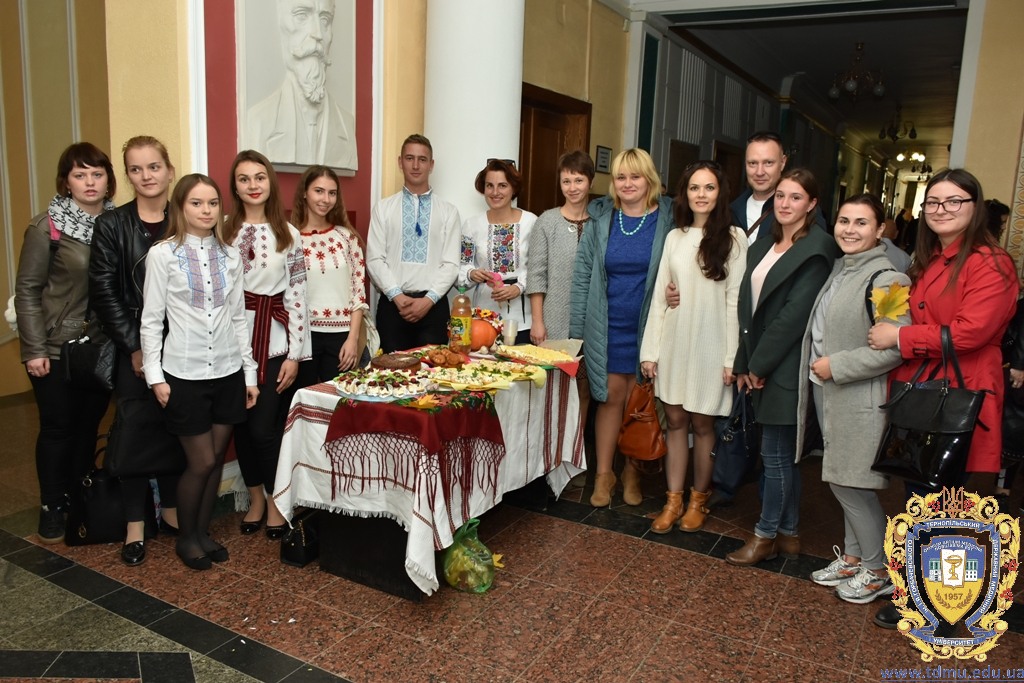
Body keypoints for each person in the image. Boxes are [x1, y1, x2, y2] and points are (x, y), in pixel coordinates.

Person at [868, 168, 1019, 627]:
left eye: (954, 201)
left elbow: (972, 332)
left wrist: (901, 337)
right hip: (924, 390)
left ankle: (944, 603)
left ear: (975, 208)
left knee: (952, 502)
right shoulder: (932, 259)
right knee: (923, 492)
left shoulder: (990, 262)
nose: (942, 209)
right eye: (933, 201)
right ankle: (919, 592)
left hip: (961, 393)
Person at [796, 193, 911, 604]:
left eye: (861, 223)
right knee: (841, 477)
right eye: (844, 221)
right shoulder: (842, 268)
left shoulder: (889, 280)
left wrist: (836, 365)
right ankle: (853, 558)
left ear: (880, 230)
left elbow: (895, 347)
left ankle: (878, 570)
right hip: (831, 393)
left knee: (852, 485)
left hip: (859, 398)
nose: (849, 229)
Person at [141, 174, 259, 570]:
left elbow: (239, 318)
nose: (206, 210)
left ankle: (202, 533)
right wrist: (155, 376)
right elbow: (151, 320)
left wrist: (249, 374)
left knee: (215, 458)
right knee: (202, 462)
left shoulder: (231, 255)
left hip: (228, 371)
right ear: (180, 207)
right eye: (196, 203)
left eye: (212, 203)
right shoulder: (162, 255)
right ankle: (186, 538)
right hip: (184, 374)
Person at [725, 168, 838, 567]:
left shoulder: (818, 249)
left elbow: (793, 316)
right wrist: (744, 362)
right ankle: (789, 533)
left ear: (812, 204)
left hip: (787, 366)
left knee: (775, 456)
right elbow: (747, 308)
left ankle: (765, 535)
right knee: (779, 456)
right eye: (781, 196)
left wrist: (758, 365)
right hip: (760, 360)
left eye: (796, 197)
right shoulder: (764, 244)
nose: (785, 204)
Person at [15, 142, 116, 544]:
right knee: (58, 428)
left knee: (88, 427)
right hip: (56, 347)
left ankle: (79, 497)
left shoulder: (117, 224)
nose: (89, 182)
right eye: (80, 174)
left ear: (108, 180)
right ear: (66, 181)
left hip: (100, 348)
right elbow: (27, 291)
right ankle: (52, 505)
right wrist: (34, 349)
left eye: (97, 174)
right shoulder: (47, 228)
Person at [639, 161, 747, 532]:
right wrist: (650, 352)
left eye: (709, 187)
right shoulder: (675, 237)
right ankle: (672, 501)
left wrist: (731, 358)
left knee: (703, 425)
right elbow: (660, 297)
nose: (701, 195)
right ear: (685, 194)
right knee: (675, 422)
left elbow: (734, 302)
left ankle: (699, 500)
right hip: (675, 343)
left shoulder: (734, 238)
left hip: (712, 347)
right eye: (694, 188)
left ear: (721, 193)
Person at [90, 135, 180, 566]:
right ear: (127, 175)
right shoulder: (112, 224)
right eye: (136, 169)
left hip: (183, 344)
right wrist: (137, 346)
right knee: (135, 430)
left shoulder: (187, 218)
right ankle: (135, 526)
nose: (146, 176)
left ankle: (174, 513)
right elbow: (104, 292)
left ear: (169, 171)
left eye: (154, 166)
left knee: (177, 427)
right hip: (133, 345)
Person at [570, 148, 674, 508]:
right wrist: (576, 334)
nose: (628, 183)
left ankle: (632, 472)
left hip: (649, 326)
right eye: (620, 177)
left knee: (638, 400)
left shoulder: (668, 221)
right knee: (610, 397)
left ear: (650, 179)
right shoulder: (602, 222)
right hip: (607, 326)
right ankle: (604, 475)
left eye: (635, 176)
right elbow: (582, 278)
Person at [224, 149, 310, 539]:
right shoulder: (223, 232)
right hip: (232, 343)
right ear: (235, 186)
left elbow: (298, 294)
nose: (253, 185)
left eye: (259, 177)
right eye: (244, 179)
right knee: (241, 428)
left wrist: (294, 353)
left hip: (275, 343)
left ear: (270, 183)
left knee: (263, 429)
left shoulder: (288, 233)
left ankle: (277, 501)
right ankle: (255, 498)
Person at [366, 134, 462, 352]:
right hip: (393, 306)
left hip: (433, 307)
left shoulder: (448, 212)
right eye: (409, 158)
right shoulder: (383, 208)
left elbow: (451, 264)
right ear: (400, 162)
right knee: (391, 370)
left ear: (431, 165)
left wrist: (428, 301)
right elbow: (374, 259)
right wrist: (397, 296)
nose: (416, 165)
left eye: (422, 159)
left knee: (434, 370)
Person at [244, 0, 357, 169]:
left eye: (324, 19)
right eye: (302, 16)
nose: (317, 34)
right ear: (280, 25)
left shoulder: (346, 126)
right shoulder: (260, 121)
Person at [292, 165, 369, 383]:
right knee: (303, 399)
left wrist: (353, 339)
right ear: (305, 193)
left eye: (332, 193)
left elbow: (358, 292)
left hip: (342, 336)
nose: (326, 199)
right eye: (319, 191)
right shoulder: (290, 239)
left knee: (339, 399)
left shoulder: (347, 237)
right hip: (303, 336)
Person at [458, 159, 537, 344]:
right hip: (483, 319)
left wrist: (519, 287)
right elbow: (462, 266)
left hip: (522, 321)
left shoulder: (531, 222)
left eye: (502, 185)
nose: (495, 192)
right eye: (489, 186)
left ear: (513, 188)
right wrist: (472, 273)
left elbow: (539, 267)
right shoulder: (471, 225)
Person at [527, 151, 594, 345]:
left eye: (579, 181)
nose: (572, 188)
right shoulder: (546, 221)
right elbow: (536, 276)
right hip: (553, 320)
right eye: (566, 181)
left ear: (591, 182)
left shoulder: (601, 222)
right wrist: (537, 322)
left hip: (593, 321)